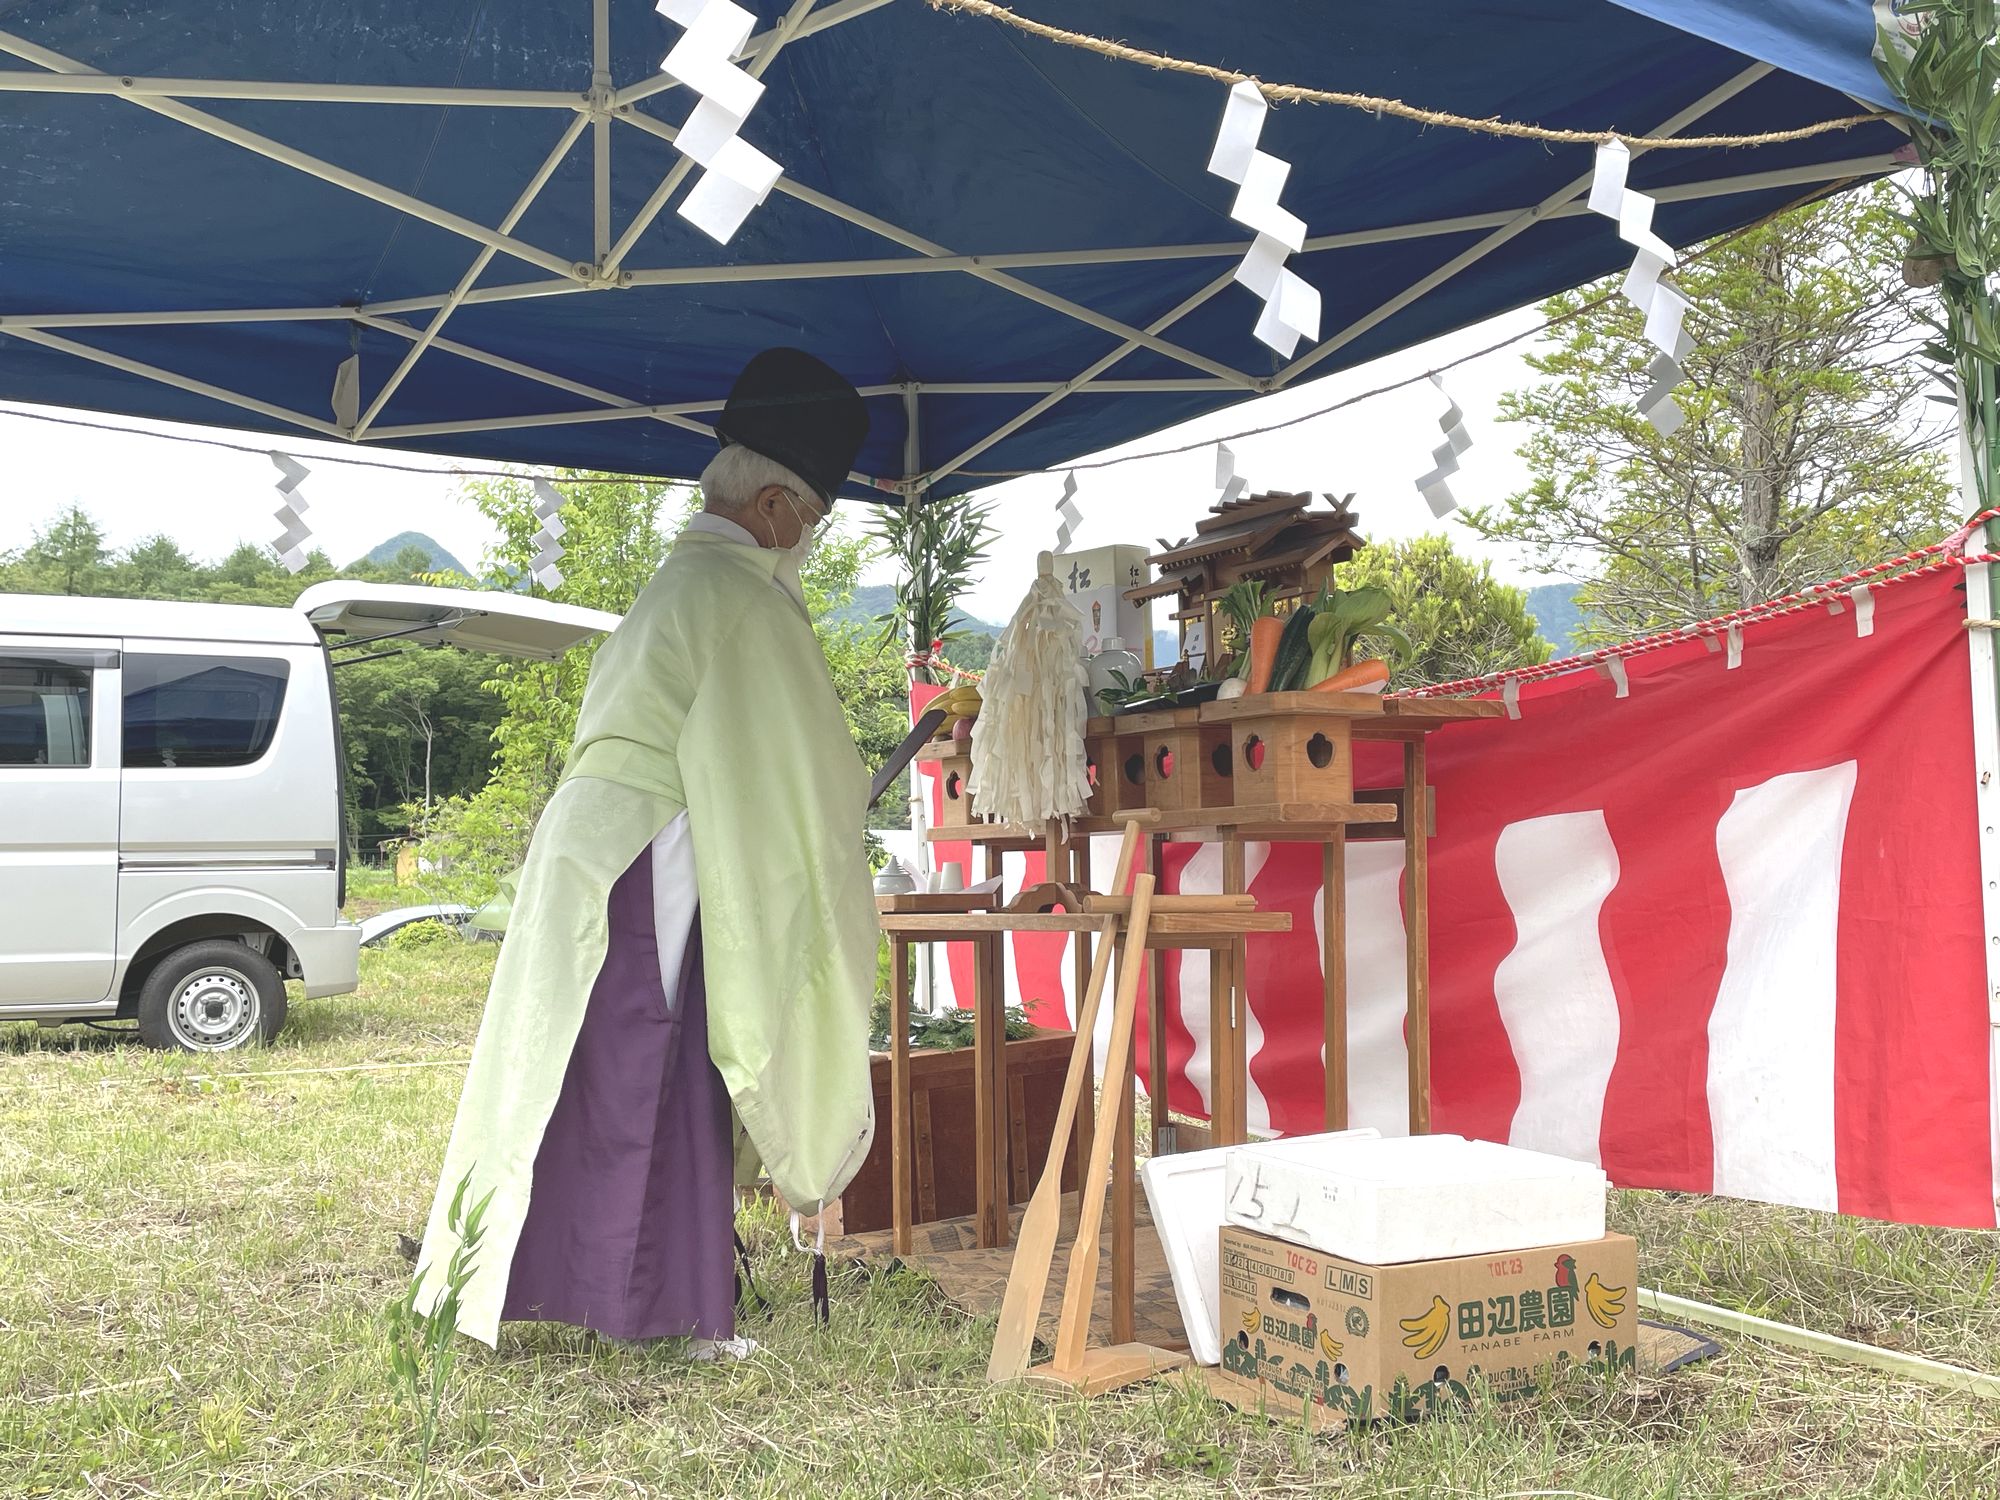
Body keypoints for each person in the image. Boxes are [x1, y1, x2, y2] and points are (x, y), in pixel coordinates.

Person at [414, 348, 878, 1358]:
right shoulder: (741, 596)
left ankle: (522, 1274)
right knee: (653, 1068)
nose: (806, 538)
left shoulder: (682, 582)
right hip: (650, 862)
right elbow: (800, 775)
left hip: (600, 850)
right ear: (769, 504)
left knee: (568, 1067)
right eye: (810, 518)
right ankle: (666, 1311)